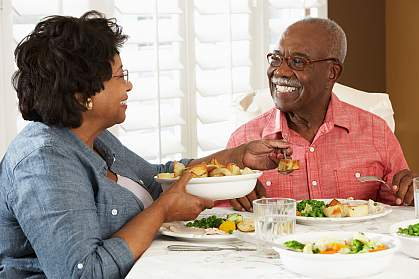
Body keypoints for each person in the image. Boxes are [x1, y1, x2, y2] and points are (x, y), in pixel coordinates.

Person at [0, 11, 291, 278]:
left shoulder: (94, 138)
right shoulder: (43, 162)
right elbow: (82, 273)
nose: (128, 86)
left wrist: (237, 156)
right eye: (119, 76)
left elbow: (156, 180)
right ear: (81, 95)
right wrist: (163, 211)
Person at [217, 17, 416, 212]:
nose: (281, 71)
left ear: (332, 72)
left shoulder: (376, 131)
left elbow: (399, 204)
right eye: (277, 59)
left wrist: (409, 191)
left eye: (297, 62)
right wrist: (232, 197)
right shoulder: (243, 141)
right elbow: (218, 225)